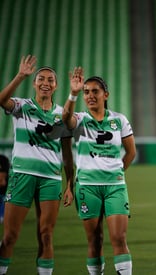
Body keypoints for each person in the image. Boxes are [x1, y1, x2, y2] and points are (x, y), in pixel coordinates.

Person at [0, 55, 74, 275]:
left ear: (56, 86)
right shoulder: (22, 107)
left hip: (50, 179)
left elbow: (67, 155)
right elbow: (2, 100)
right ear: (34, 83)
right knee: (10, 236)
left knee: (46, 235)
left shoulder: (62, 115)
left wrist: (70, 183)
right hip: (22, 176)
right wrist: (20, 75)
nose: (45, 83)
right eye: (41, 78)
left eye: (50, 80)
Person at [62, 67, 136, 275]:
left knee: (119, 239)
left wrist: (119, 172)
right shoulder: (80, 119)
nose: (90, 96)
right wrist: (73, 93)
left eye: (95, 91)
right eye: (86, 92)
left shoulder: (119, 120)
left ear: (106, 94)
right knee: (95, 241)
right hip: (87, 187)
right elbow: (65, 120)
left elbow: (130, 152)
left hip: (115, 187)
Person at [0, 155, 10, 224]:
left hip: (6, 188)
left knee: (6, 199)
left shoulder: (3, 160)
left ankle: (2, 216)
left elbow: (3, 181)